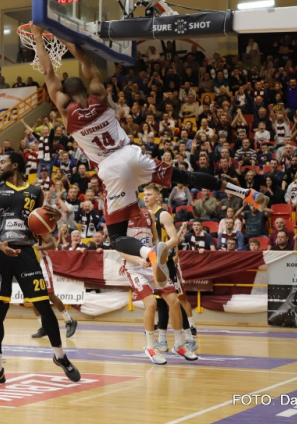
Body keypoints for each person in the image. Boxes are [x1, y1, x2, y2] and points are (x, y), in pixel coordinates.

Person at [30, 24, 268, 291]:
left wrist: (39, 36)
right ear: (86, 86)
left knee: (118, 236)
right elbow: (85, 58)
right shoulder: (99, 93)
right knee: (185, 177)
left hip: (110, 168)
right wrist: (67, 35)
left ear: (64, 93)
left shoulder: (64, 109)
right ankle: (244, 191)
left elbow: (48, 71)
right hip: (131, 154)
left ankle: (149, 253)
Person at [0, 151, 80, 385]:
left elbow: (42, 225)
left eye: (2, 162)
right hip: (0, 253)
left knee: (44, 305)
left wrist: (53, 219)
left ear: (15, 165)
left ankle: (61, 356)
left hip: (26, 253)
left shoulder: (36, 192)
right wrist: (0, 246)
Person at [119, 203, 196, 365]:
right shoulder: (121, 219)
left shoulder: (148, 215)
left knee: (174, 302)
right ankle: (151, 346)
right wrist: (138, 260)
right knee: (152, 303)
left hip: (151, 263)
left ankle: (179, 344)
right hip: (135, 267)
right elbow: (120, 248)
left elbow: (155, 240)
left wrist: (157, 256)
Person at [143, 184, 199, 354]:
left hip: (165, 262)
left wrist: (159, 250)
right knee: (159, 302)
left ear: (157, 197)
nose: (145, 197)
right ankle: (161, 340)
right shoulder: (144, 215)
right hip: (153, 263)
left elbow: (174, 239)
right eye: (144, 194)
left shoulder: (163, 214)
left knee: (174, 301)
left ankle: (188, 337)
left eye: (149, 194)